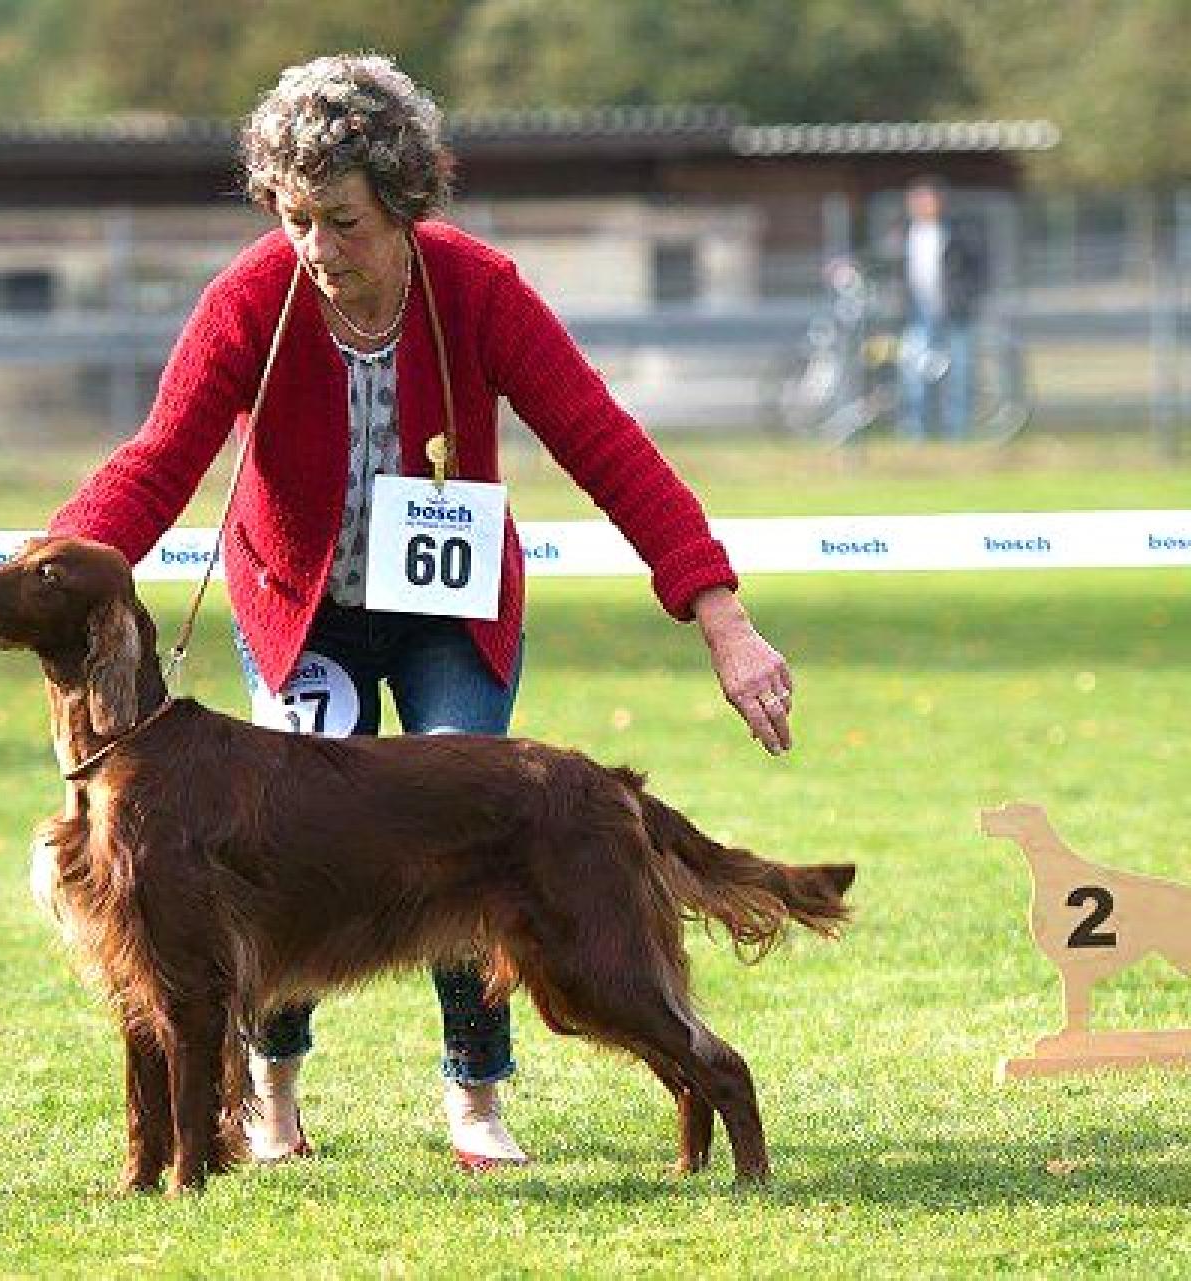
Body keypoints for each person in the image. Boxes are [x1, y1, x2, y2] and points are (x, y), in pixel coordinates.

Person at [47, 53, 794, 1173]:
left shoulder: (480, 289)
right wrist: (49, 567)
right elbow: (158, 460)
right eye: (295, 217)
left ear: (403, 205)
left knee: (465, 801)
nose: (317, 248)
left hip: (450, 609)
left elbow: (609, 446)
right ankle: (271, 1099)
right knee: (275, 834)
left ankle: (477, 1099)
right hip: (301, 607)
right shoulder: (252, 297)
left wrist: (721, 617)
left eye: (342, 221)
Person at [894, 176, 989, 440]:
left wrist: (965, 298)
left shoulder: (958, 231)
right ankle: (916, 433)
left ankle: (957, 432)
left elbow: (978, 270)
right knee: (913, 374)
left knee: (959, 373)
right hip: (918, 314)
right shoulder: (905, 233)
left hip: (954, 314)